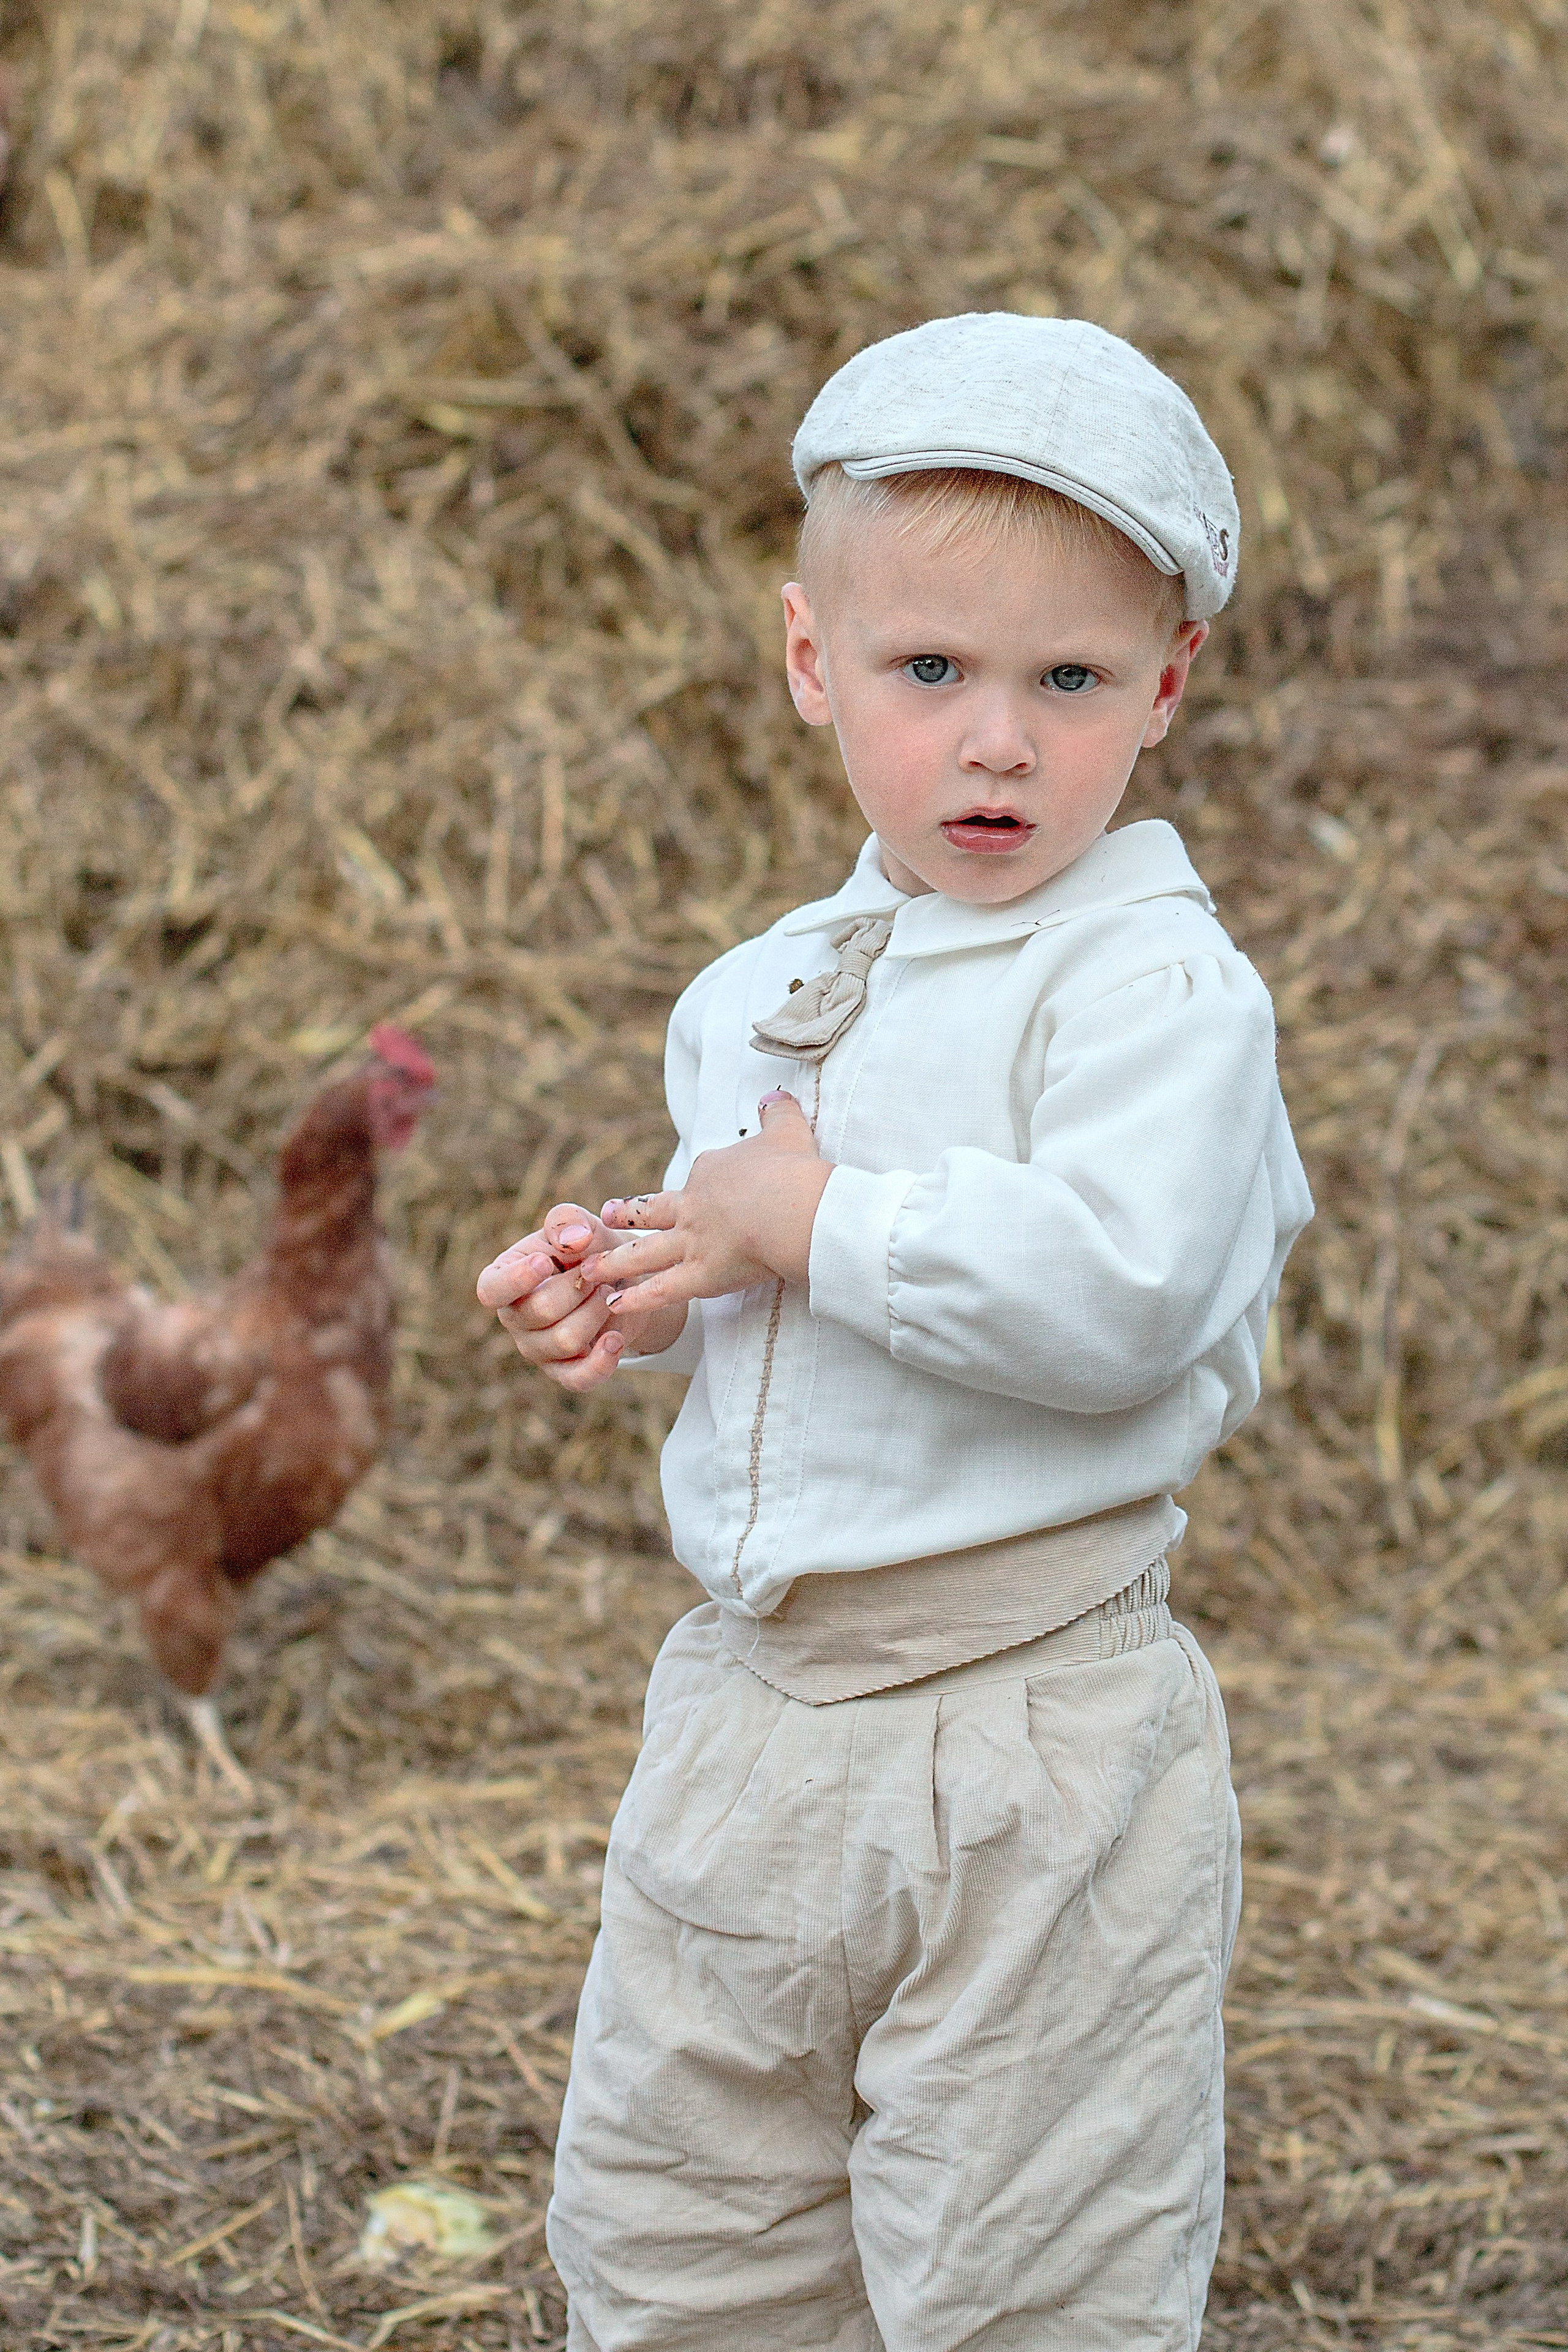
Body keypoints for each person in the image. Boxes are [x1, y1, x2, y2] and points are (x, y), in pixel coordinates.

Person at [478, 312, 1313, 2352]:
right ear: (807, 662)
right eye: (929, 671)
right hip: (753, 1718)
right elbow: (763, 1291)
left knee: (1029, 2260)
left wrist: (815, 1217)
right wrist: (636, 1285)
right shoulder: (759, 992)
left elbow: (1121, 1294)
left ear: (1167, 687)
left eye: (1070, 680)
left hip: (1030, 1721)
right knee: (690, 2234)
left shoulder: (1154, 993)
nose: (1000, 740)